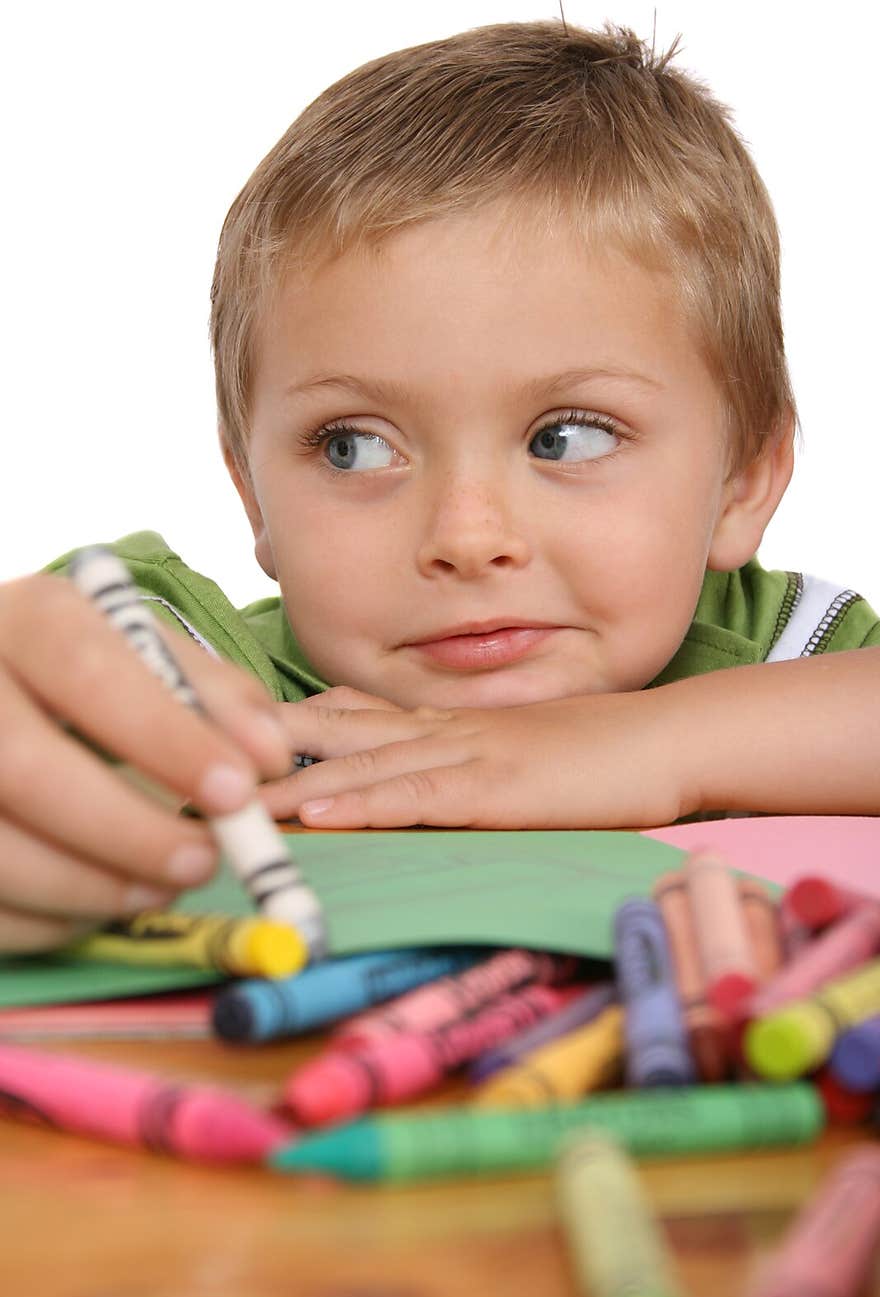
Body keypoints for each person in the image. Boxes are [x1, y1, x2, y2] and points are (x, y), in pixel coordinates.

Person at [1, 19, 877, 953]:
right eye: (353, 449)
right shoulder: (233, 693)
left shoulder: (786, 656)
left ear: (744, 478)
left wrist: (653, 746)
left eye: (567, 436)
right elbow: (69, 685)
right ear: (254, 496)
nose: (467, 535)